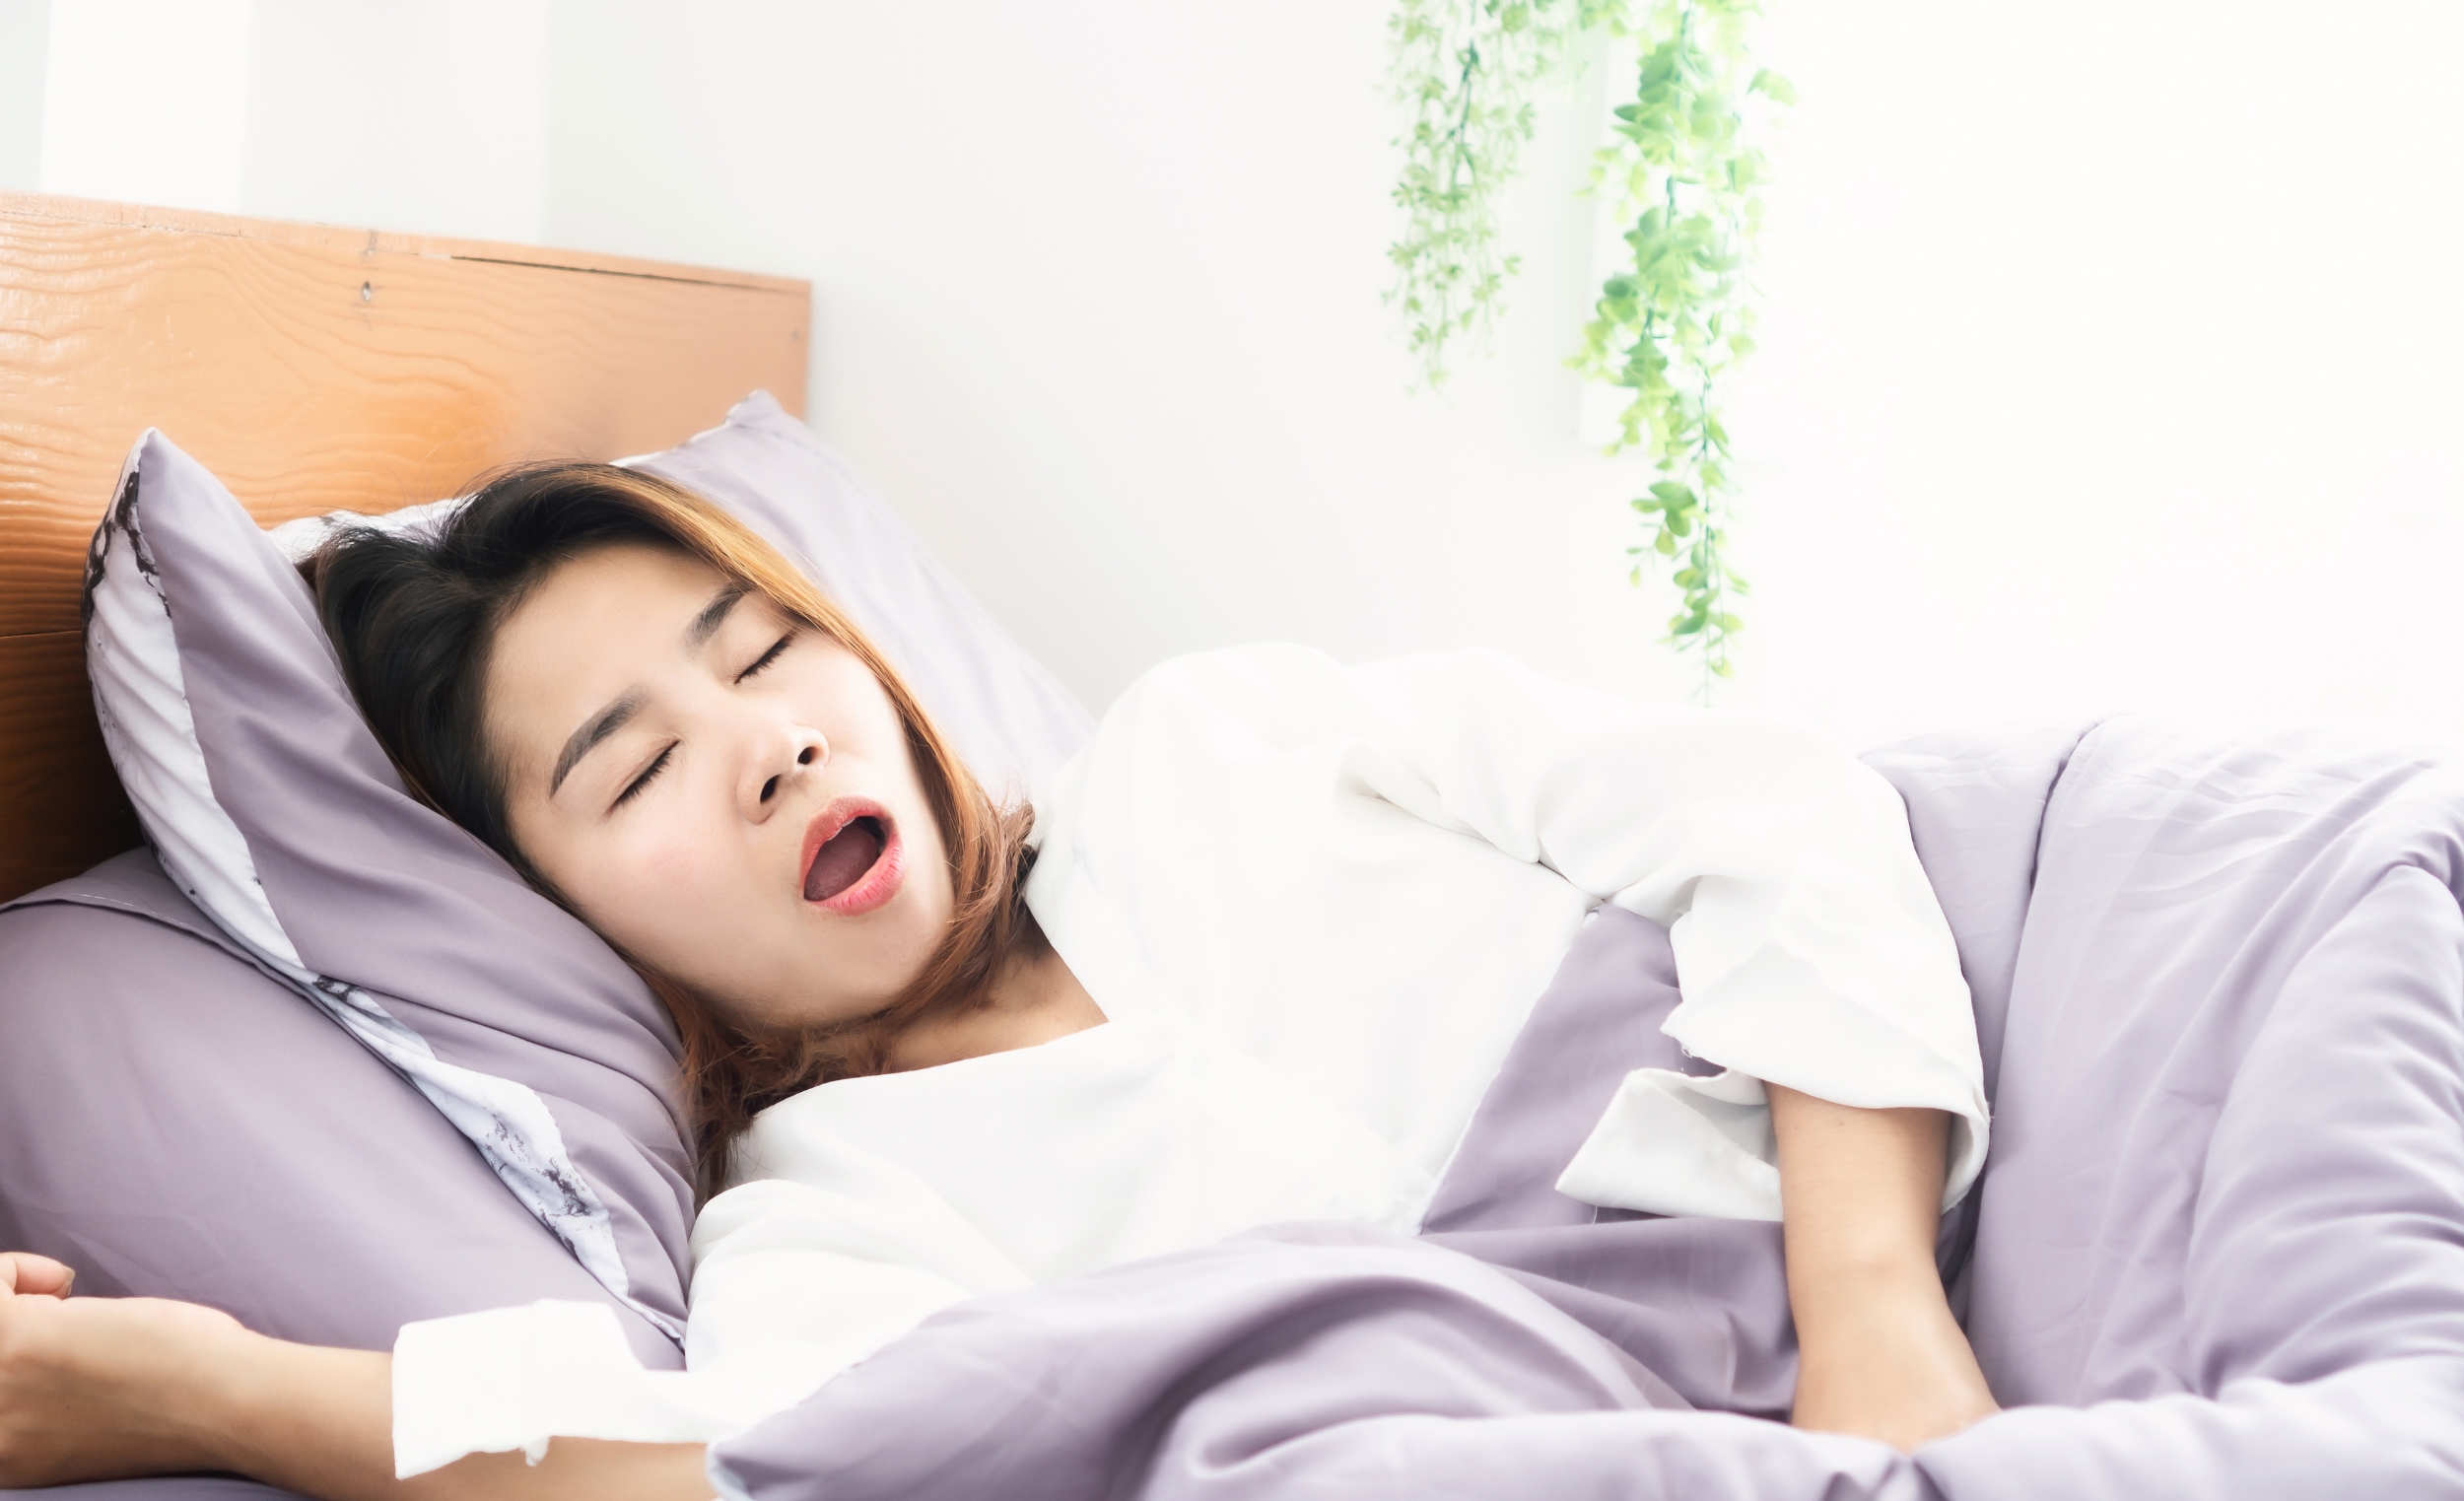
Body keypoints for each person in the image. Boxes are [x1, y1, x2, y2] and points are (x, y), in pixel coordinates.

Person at [0, 465, 1999, 1498]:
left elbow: (1765, 806)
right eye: (634, 769)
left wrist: (1873, 1307)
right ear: (568, 926)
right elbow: (741, 1462)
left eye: (762, 651)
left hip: (1960, 1198)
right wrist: (190, 1387)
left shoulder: (1216, 742)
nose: (767, 741)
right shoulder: (825, 1217)